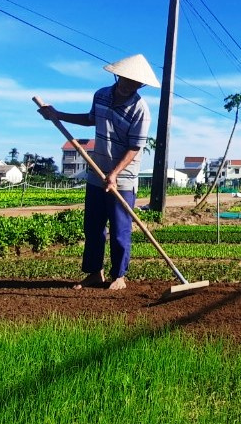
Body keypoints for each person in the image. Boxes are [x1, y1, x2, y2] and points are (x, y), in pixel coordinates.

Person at [38, 54, 158, 290]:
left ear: (140, 85)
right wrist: (58, 114)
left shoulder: (140, 110)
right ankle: (95, 272)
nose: (128, 86)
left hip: (123, 178)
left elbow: (135, 147)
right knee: (93, 227)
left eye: (134, 83)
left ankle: (119, 276)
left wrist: (114, 174)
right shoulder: (101, 95)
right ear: (118, 76)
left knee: (120, 229)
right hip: (96, 172)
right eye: (125, 80)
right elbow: (91, 119)